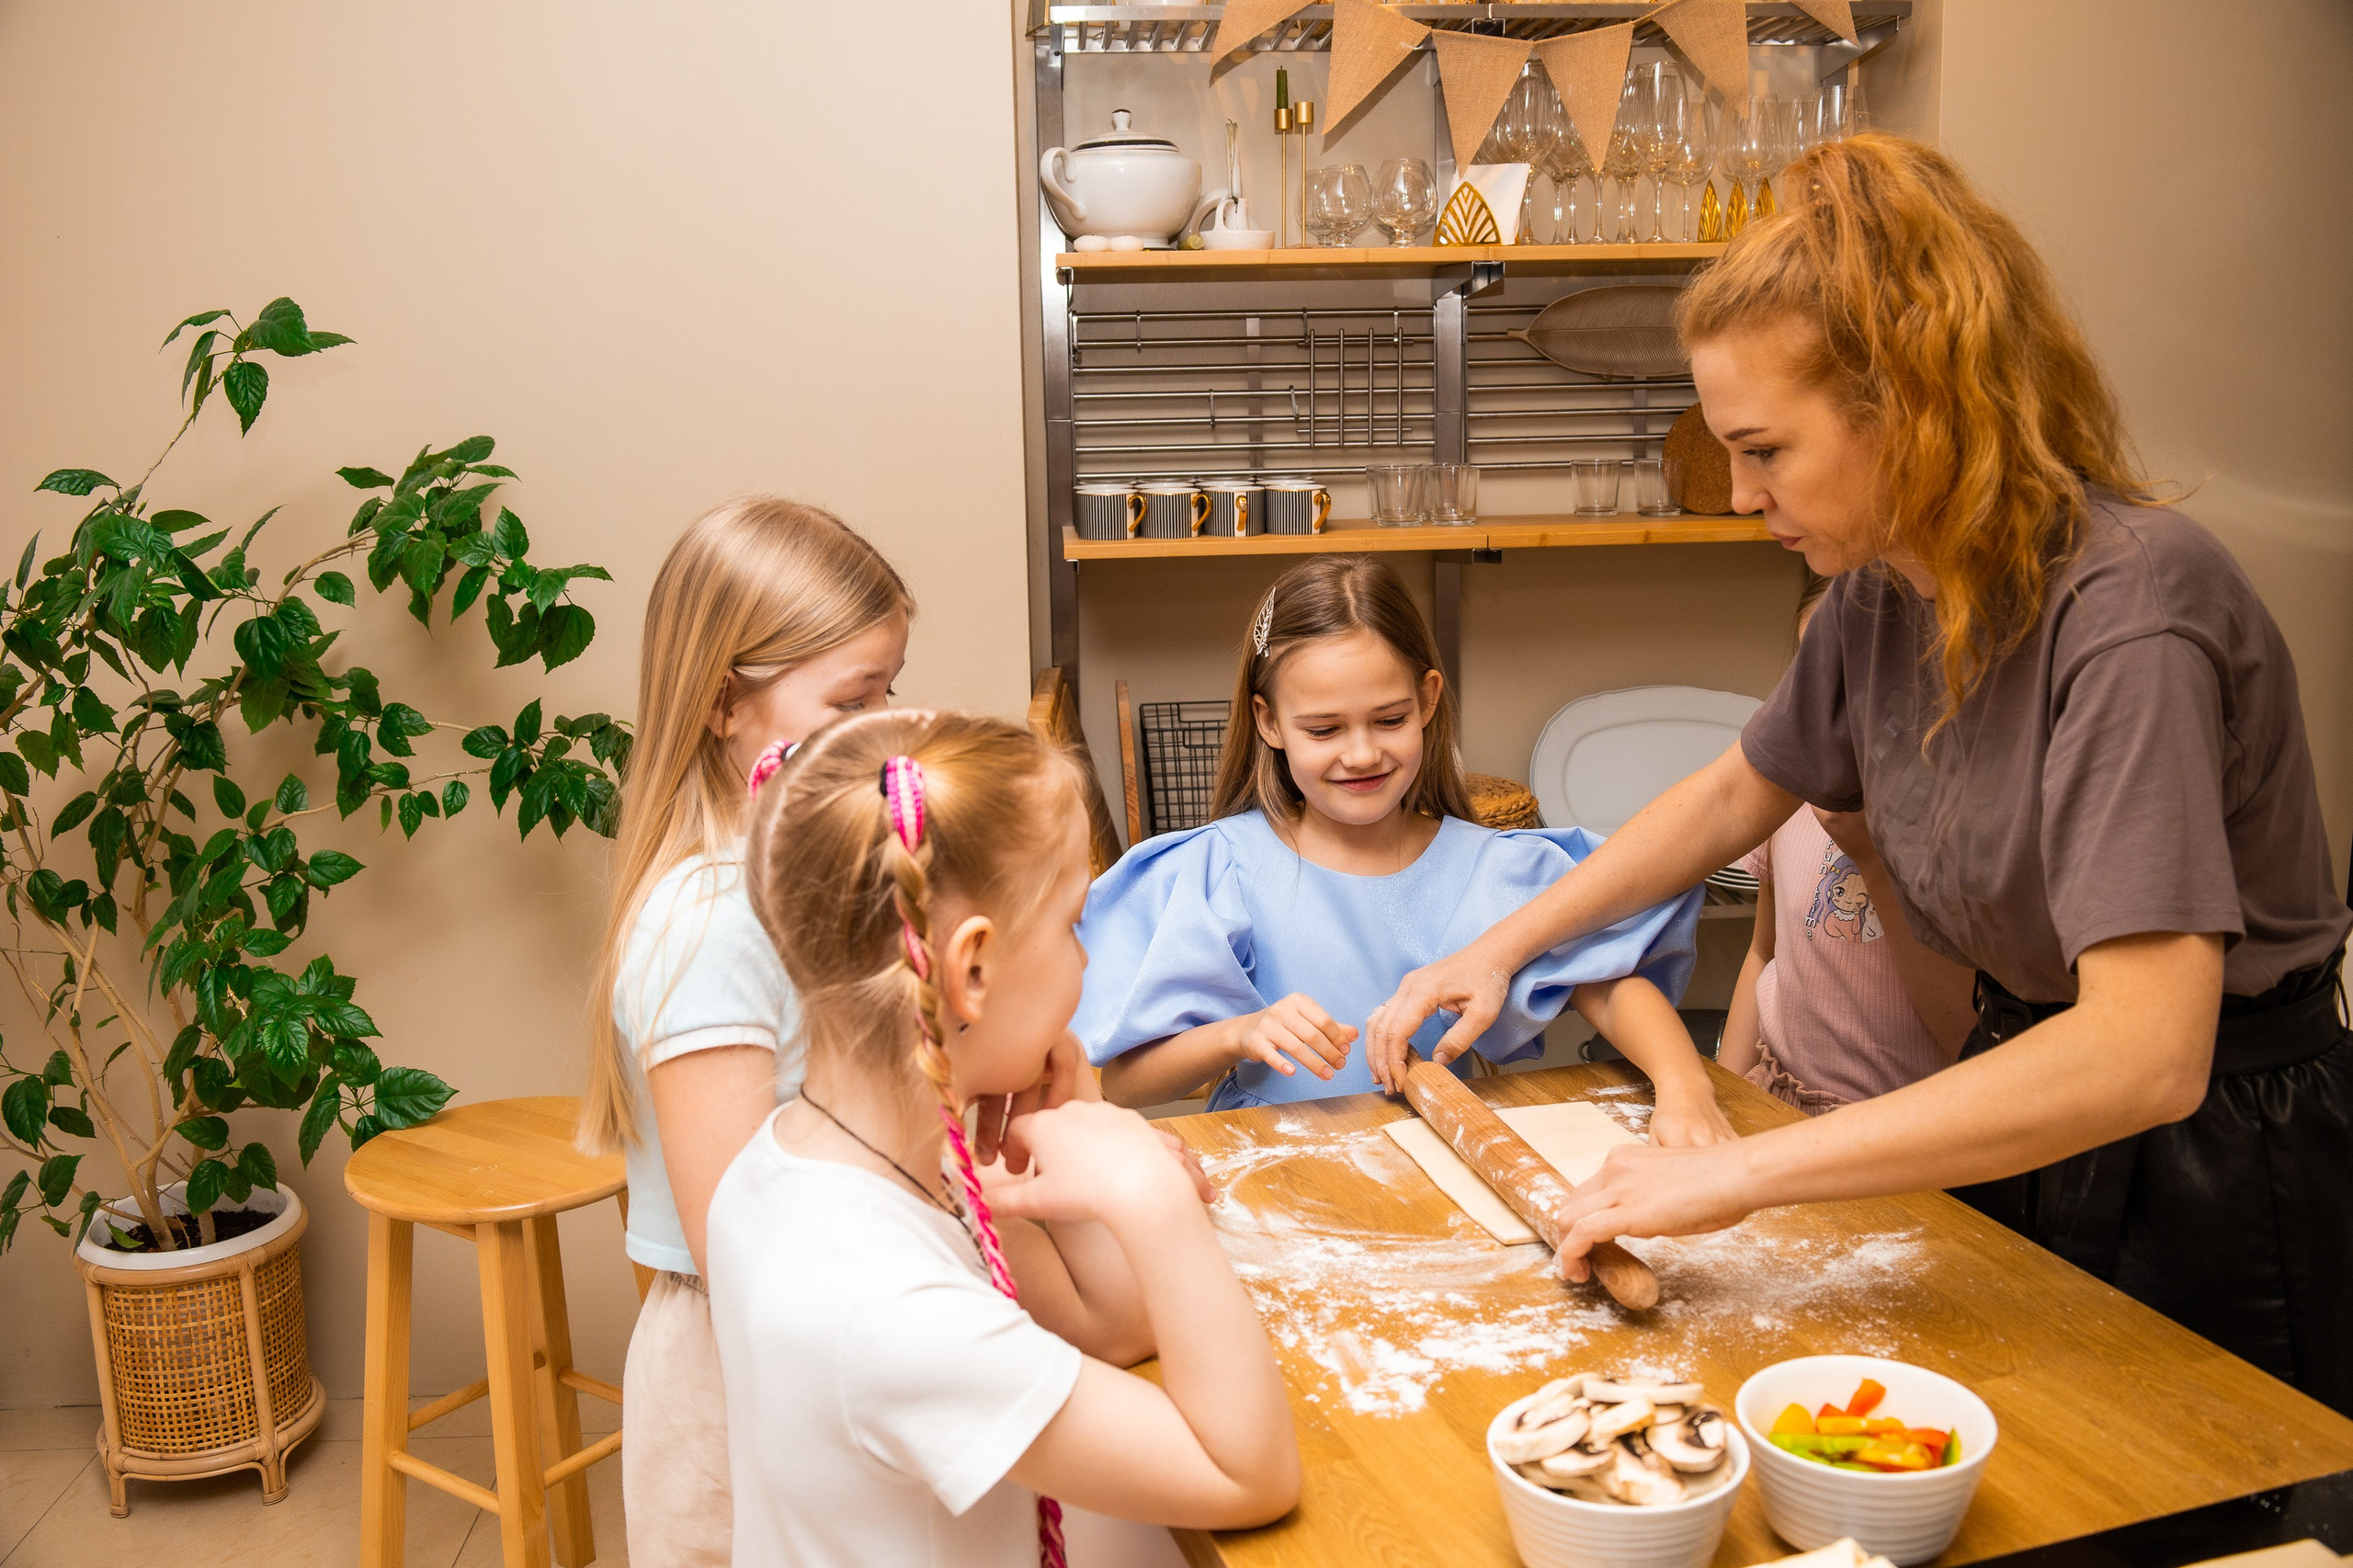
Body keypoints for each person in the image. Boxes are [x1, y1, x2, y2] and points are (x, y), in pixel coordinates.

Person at [1367, 134, 2353, 1416]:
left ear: (1913, 403)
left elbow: (2143, 1053)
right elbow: (1735, 792)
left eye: (1765, 449)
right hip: (2019, 1093)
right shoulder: (1880, 596)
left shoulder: (2136, 614)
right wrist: (1501, 945)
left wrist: (1740, 1172)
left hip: (2217, 1164)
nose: (1737, 493)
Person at [710, 710, 1300, 1567]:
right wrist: (1154, 1198)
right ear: (972, 969)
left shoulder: (799, 1161)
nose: (1087, 963)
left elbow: (1113, 1334)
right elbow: (1248, 1475)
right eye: (1072, 925)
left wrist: (1075, 1111)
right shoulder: (882, 1304)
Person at [1075, 556, 1722, 1143]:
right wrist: (1238, 1034)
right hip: (1275, 1177)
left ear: (1428, 700)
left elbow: (1610, 989)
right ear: (1269, 722)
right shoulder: (1221, 871)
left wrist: (1685, 1087)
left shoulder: (1491, 870)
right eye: (1323, 729)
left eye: (1389, 719)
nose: (1361, 754)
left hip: (1440, 1177)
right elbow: (1127, 1082)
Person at [576, 496, 912, 1567]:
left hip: (807, 1325)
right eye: (852, 697)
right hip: (741, 1359)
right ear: (726, 702)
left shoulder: (790, 884)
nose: (881, 725)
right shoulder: (714, 917)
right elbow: (739, 1235)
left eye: (888, 690)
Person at [1718, 576, 1978, 1112]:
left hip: (1896, 1137)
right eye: (1813, 681)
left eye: (1857, 676)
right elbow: (1762, 952)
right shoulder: (1787, 790)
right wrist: (1725, 1097)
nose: (1833, 708)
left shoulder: (1964, 815)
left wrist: (1871, 856)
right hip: (1778, 1101)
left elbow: (1963, 1038)